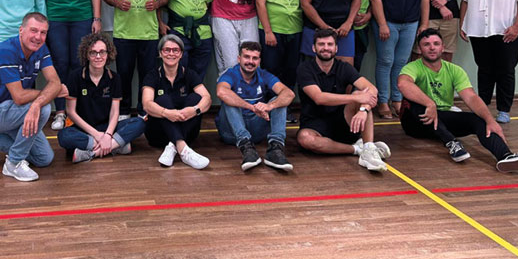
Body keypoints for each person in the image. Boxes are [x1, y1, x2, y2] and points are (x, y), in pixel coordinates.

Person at [398, 28, 518, 171]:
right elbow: (403, 84)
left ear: (442, 47)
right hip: (415, 124)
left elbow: (471, 97)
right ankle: (452, 143)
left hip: (442, 119)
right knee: (414, 104)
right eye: (426, 44)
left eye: (436, 44)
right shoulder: (412, 67)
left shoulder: (454, 70)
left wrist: (490, 120)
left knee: (479, 120)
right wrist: (429, 103)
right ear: (420, 49)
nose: (432, 48)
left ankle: (506, 156)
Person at [0, 12, 59, 182]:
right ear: (21, 30)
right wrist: (44, 97)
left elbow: (55, 82)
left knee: (44, 158)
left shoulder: (41, 48)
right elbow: (19, 96)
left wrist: (38, 101)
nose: (38, 37)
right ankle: (13, 163)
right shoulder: (6, 50)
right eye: (34, 30)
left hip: (16, 111)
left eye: (43, 32)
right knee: (44, 107)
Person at [35, 0, 102, 132]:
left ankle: (78, 111)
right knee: (59, 64)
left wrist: (97, 18)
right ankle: (61, 112)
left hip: (82, 17)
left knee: (79, 64)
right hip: (56, 19)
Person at [296, 28, 391, 172]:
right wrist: (356, 97)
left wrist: (364, 109)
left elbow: (372, 89)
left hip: (343, 120)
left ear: (336, 48)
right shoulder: (305, 68)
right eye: (321, 44)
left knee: (363, 96)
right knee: (305, 139)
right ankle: (358, 149)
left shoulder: (344, 67)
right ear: (314, 48)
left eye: (330, 44)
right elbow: (319, 98)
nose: (326, 48)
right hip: (314, 122)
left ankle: (368, 148)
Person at [102, 0, 170, 117]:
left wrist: (157, 3)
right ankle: (123, 112)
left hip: (149, 34)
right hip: (124, 33)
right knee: (123, 75)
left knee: (147, 77)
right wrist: (117, 2)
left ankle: (144, 111)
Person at [58, 32, 146, 163]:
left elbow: (115, 112)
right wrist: (97, 136)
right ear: (86, 55)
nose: (98, 56)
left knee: (139, 123)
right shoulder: (75, 76)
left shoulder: (115, 78)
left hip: (107, 128)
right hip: (84, 129)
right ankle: (116, 146)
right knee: (63, 136)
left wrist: (108, 134)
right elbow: (71, 112)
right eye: (93, 52)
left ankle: (93, 152)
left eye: (102, 52)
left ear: (108, 54)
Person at [369, 0, 429, 119]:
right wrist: (382, 24)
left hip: (411, 24)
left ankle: (397, 99)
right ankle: (382, 101)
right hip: (388, 24)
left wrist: (424, 24)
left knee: (401, 63)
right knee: (386, 61)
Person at [216, 41, 295, 172]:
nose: (250, 62)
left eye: (255, 58)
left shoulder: (263, 74)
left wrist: (269, 106)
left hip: (257, 131)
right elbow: (221, 92)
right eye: (247, 57)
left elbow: (289, 94)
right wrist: (252, 107)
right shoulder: (230, 74)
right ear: (239, 59)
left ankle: (275, 149)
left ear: (259, 61)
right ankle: (246, 146)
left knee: (279, 100)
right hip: (231, 132)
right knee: (229, 99)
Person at [141, 34, 213, 169]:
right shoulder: (152, 75)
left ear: (181, 54)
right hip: (158, 134)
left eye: (175, 50)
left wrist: (195, 110)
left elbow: (207, 98)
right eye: (167, 50)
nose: (171, 54)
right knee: (162, 100)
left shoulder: (189, 74)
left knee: (196, 98)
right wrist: (166, 113)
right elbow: (147, 104)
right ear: (160, 53)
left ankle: (173, 147)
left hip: (187, 131)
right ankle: (183, 150)